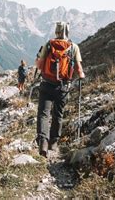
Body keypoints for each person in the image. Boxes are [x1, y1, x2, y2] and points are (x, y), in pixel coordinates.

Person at [35, 21, 85, 157]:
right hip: (62, 87)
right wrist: (81, 76)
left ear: (56, 31)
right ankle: (54, 143)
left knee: (44, 114)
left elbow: (39, 66)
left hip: (46, 84)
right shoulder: (73, 47)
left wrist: (38, 60)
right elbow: (79, 70)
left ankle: (43, 143)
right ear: (67, 31)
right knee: (58, 115)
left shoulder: (49, 44)